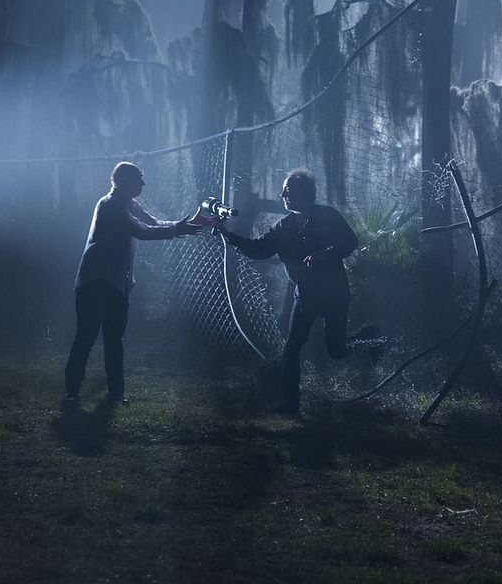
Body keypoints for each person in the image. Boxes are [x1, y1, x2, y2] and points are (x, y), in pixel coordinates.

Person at [215, 168, 358, 415]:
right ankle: (290, 404)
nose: (283, 195)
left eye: (288, 191)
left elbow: (350, 242)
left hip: (333, 293)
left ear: (304, 193)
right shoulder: (283, 227)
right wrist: (229, 237)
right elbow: (259, 250)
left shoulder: (328, 216)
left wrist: (325, 254)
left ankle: (370, 339)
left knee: (336, 350)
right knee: (291, 349)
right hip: (305, 296)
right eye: (283, 191)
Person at [64, 161, 203, 405]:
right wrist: (179, 228)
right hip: (96, 283)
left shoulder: (128, 204)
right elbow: (142, 231)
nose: (143, 183)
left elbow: (152, 223)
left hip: (114, 283)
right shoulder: (110, 205)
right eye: (139, 179)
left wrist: (183, 225)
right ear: (125, 181)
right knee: (88, 337)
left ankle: (114, 394)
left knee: (112, 340)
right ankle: (74, 390)